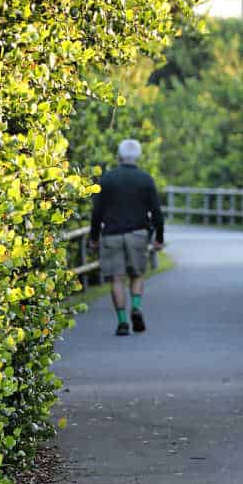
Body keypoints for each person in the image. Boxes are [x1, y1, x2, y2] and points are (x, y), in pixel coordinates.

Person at [89, 138, 165, 336]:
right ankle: (137, 307)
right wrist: (159, 237)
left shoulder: (107, 179)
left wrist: (94, 236)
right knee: (137, 275)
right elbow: (156, 212)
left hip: (112, 235)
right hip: (137, 234)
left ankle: (122, 321)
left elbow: (97, 212)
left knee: (116, 279)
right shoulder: (145, 179)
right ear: (138, 156)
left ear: (119, 156)